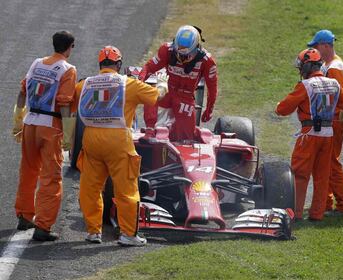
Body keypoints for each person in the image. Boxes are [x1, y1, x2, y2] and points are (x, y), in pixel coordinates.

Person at [76, 46, 163, 245]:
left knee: (90, 187)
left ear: (100, 65)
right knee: (126, 189)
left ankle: (93, 231)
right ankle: (128, 235)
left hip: (91, 142)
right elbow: (156, 96)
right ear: (119, 64)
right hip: (118, 143)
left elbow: (69, 103)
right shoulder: (129, 84)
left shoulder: (84, 85)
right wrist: (163, 85)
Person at [275, 48, 343, 221]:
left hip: (309, 134)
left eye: (301, 68)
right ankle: (317, 214)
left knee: (300, 175)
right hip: (328, 135)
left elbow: (282, 109)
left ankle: (296, 214)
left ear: (306, 67)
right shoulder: (334, 84)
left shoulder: (304, 86)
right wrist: (342, 113)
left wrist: (279, 105)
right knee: (322, 177)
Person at [12, 31, 77, 241]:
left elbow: (22, 93)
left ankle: (24, 215)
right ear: (70, 47)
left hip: (30, 122)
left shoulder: (36, 63)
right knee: (51, 176)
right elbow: (65, 103)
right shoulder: (68, 69)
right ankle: (43, 226)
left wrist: (17, 121)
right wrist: (68, 134)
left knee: (28, 170)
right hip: (51, 127)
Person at [307, 29, 343, 217]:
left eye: (316, 46)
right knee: (325, 162)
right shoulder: (332, 64)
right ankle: (326, 203)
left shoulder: (334, 67)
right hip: (335, 119)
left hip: (336, 121)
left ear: (325, 46)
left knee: (331, 163)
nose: (314, 50)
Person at [138, 25, 218, 141]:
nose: (181, 58)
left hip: (185, 98)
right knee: (151, 93)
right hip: (168, 91)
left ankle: (194, 132)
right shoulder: (166, 50)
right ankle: (150, 130)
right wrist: (138, 82)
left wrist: (209, 109)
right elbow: (148, 67)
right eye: (178, 53)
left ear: (197, 48)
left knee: (185, 138)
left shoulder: (207, 61)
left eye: (185, 55)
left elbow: (212, 87)